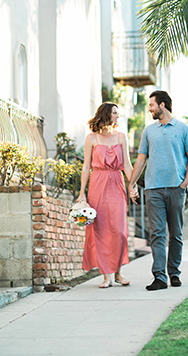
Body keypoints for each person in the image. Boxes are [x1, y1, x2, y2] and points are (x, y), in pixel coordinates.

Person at [128, 90, 188, 291]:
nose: (149, 108)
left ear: (162, 105)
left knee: (175, 233)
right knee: (157, 234)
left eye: (151, 105)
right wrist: (132, 183)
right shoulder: (149, 131)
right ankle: (160, 277)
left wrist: (185, 182)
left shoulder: (183, 129)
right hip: (153, 189)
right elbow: (141, 159)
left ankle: (174, 273)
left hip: (176, 188)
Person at [78, 102, 134, 288]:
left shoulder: (121, 137)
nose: (118, 116)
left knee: (119, 231)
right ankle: (106, 276)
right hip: (98, 184)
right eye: (115, 113)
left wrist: (132, 185)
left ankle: (118, 272)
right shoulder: (91, 138)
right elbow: (86, 167)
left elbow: (127, 164)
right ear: (106, 115)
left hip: (117, 183)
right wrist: (81, 194)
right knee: (100, 230)